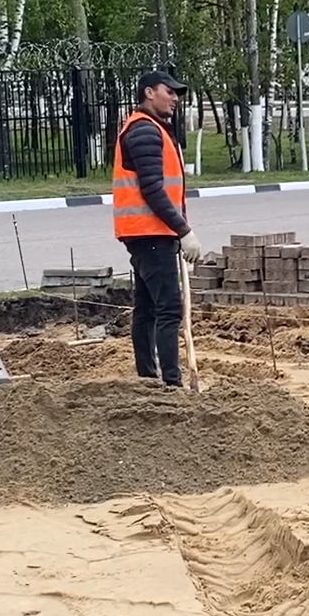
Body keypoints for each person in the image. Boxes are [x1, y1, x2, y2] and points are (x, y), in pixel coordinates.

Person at [113, 70, 203, 387]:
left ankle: (148, 378)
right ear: (149, 93)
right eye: (170, 91)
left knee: (148, 308)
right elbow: (152, 189)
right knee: (169, 308)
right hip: (150, 233)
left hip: (147, 233)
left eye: (178, 93)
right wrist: (183, 230)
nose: (175, 98)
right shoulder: (144, 132)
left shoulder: (152, 129)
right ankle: (171, 383)